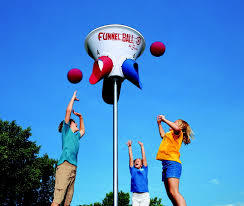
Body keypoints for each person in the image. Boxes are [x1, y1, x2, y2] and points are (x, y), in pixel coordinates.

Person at [51, 91, 85, 206]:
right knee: (57, 200)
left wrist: (81, 117)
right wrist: (72, 98)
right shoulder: (66, 132)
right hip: (64, 166)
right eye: (75, 123)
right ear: (70, 125)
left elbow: (83, 131)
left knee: (67, 201)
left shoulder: (76, 136)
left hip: (73, 168)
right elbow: (68, 112)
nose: (77, 125)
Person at [156, 115, 194, 206]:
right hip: (166, 164)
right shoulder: (170, 135)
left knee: (174, 192)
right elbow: (162, 135)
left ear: (180, 127)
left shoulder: (178, 133)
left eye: (175, 122)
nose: (172, 123)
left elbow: (176, 128)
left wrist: (164, 119)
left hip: (172, 163)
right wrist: (159, 124)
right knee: (170, 194)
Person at [127, 140, 150, 206]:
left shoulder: (144, 169)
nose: (136, 162)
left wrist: (142, 146)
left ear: (141, 164)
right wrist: (129, 147)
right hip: (135, 196)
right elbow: (131, 158)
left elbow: (144, 157)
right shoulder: (133, 170)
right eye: (135, 161)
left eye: (138, 161)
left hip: (144, 195)